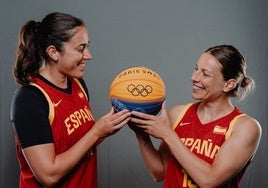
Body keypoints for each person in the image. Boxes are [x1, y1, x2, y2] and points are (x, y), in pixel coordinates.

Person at [10, 12, 131, 188]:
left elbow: (80, 143)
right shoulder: (29, 99)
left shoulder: (78, 85)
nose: (88, 55)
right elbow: (48, 175)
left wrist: (109, 126)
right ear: (53, 52)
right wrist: (97, 131)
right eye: (80, 49)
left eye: (87, 47)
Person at [129, 45, 262, 188]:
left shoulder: (245, 127)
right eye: (196, 69)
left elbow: (209, 181)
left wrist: (168, 134)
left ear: (229, 85)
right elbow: (159, 172)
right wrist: (140, 132)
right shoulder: (178, 114)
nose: (194, 77)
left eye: (205, 74)